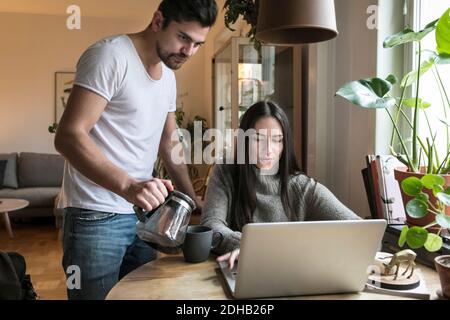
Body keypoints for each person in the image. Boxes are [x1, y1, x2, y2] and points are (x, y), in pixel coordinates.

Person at [54, 0, 218, 300]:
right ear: (158, 21)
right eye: (183, 38)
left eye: (197, 44)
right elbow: (68, 136)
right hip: (94, 215)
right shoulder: (110, 56)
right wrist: (129, 185)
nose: (189, 52)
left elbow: (170, 145)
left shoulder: (168, 75)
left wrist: (193, 200)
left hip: (143, 216)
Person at [201, 101, 361, 269]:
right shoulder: (226, 172)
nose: (268, 150)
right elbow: (210, 225)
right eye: (258, 139)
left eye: (277, 140)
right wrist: (244, 245)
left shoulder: (302, 186)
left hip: (290, 273)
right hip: (238, 270)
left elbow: (359, 230)